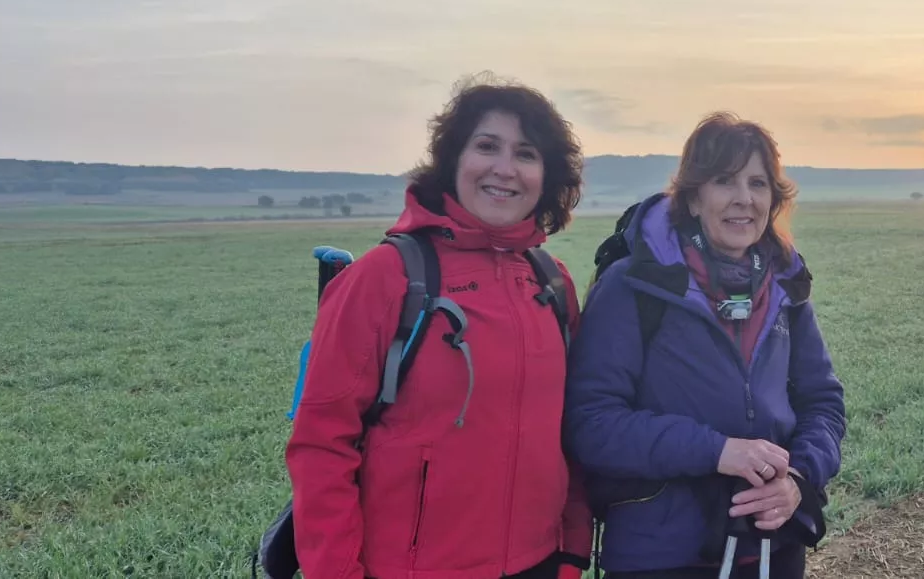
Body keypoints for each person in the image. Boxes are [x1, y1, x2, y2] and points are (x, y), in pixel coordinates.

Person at [285, 78, 593, 579]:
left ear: (547, 175)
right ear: (453, 160)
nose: (504, 169)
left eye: (526, 153)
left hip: (539, 563)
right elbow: (322, 444)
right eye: (487, 146)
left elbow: (570, 430)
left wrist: (572, 552)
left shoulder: (551, 282)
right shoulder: (385, 278)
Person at [565, 113, 847, 579]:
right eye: (724, 181)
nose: (744, 199)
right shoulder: (632, 286)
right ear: (693, 198)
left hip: (772, 546)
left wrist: (798, 478)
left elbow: (824, 402)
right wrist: (717, 450)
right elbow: (591, 423)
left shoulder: (784, 288)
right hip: (662, 554)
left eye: (758, 183)